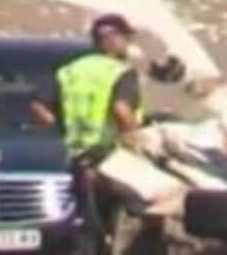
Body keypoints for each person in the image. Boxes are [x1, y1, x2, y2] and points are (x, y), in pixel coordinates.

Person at [32, 13, 144, 160]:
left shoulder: (70, 70)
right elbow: (121, 109)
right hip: (109, 156)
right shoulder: (120, 72)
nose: (127, 44)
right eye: (126, 38)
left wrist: (59, 129)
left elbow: (39, 108)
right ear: (114, 38)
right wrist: (135, 145)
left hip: (74, 154)